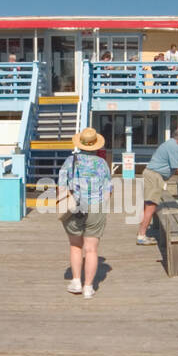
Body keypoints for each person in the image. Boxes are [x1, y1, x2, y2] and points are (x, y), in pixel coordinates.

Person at [58, 128, 113, 299]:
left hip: (74, 206)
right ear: (96, 145)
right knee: (91, 249)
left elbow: (61, 186)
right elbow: (108, 189)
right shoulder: (102, 163)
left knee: (75, 246)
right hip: (96, 208)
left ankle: (76, 281)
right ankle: (88, 287)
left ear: (80, 143)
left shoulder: (69, 161)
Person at [135, 126, 178, 245]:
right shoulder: (174, 147)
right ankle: (141, 235)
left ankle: (142, 232)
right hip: (154, 176)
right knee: (150, 206)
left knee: (149, 205)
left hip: (153, 175)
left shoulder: (170, 143)